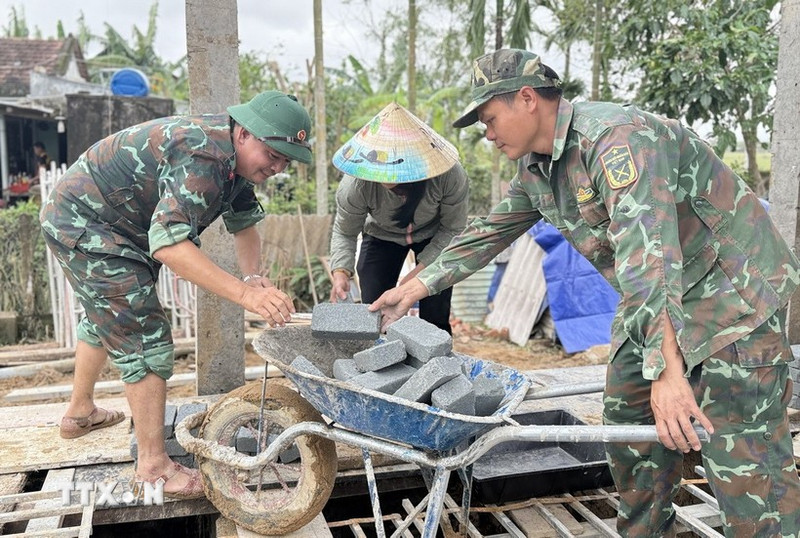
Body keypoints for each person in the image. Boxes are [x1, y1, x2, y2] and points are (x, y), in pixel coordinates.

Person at [371, 49, 800, 537]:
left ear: (527, 99)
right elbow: (489, 231)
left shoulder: (615, 141)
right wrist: (414, 287)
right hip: (659, 300)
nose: (487, 134)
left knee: (745, 466)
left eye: (490, 119)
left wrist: (666, 373)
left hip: (731, 293)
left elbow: (649, 256)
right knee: (629, 426)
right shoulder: (537, 171)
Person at [40, 90, 309, 499]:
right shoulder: (204, 156)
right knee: (144, 333)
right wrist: (244, 295)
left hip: (118, 223)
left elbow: (243, 224)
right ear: (245, 134)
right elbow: (169, 245)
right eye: (273, 154)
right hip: (87, 221)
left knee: (106, 314)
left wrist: (253, 277)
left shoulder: (235, 163)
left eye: (286, 160)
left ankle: (80, 413)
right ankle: (153, 468)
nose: (277, 166)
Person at [328, 103, 469, 334]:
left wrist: (416, 279)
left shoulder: (450, 176)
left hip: (434, 235)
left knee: (435, 308)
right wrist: (341, 272)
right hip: (380, 235)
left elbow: (453, 229)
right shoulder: (354, 186)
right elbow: (345, 231)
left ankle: (437, 363)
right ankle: (378, 361)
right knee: (375, 307)